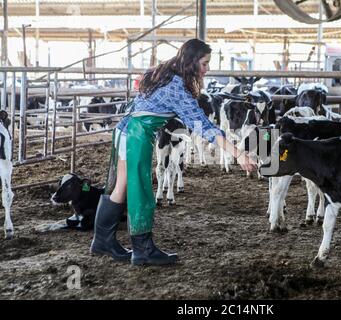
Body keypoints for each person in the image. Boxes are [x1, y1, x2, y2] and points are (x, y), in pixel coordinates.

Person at [90, 39, 257, 266]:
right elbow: (201, 125)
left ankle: (102, 241)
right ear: (191, 62)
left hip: (125, 131)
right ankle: (143, 250)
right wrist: (238, 153)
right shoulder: (177, 87)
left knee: (122, 186)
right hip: (136, 136)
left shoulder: (164, 72)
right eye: (205, 63)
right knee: (141, 190)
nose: (207, 69)